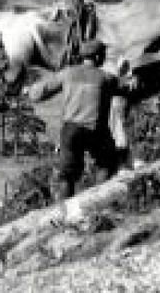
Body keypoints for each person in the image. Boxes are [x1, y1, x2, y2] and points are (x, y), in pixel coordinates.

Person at [28, 38, 131, 200]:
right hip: (97, 130)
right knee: (106, 163)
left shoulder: (67, 73)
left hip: (71, 130)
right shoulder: (105, 78)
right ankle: (100, 201)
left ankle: (63, 211)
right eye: (103, 54)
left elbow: (36, 95)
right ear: (97, 57)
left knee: (67, 174)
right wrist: (125, 73)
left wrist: (31, 88)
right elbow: (126, 88)